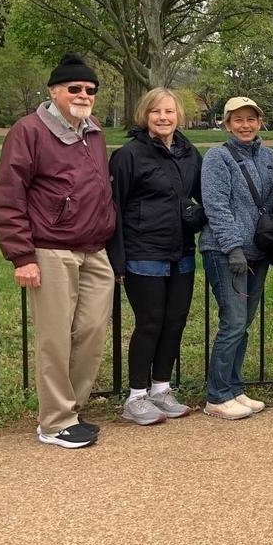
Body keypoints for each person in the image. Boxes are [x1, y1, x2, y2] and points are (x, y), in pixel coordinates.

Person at [0, 54, 117, 448]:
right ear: (54, 91)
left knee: (94, 332)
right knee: (55, 338)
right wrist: (22, 256)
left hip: (94, 249)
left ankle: (71, 409)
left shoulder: (93, 130)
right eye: (74, 88)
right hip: (50, 249)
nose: (83, 95)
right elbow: (8, 196)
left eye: (89, 90)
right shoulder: (28, 131)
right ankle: (54, 421)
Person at [108, 88, 202, 426]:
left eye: (169, 112)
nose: (163, 117)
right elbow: (114, 209)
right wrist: (117, 261)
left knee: (174, 322)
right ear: (144, 115)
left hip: (181, 253)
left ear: (179, 116)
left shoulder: (190, 154)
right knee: (150, 323)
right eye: (155, 112)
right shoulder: (128, 156)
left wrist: (198, 216)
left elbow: (201, 198)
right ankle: (136, 396)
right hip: (143, 253)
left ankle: (161, 388)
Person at [199, 95, 273, 420]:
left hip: (257, 253)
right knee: (232, 322)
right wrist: (233, 247)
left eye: (251, 119)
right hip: (225, 250)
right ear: (227, 124)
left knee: (244, 324)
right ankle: (216, 395)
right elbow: (216, 205)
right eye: (238, 120)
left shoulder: (268, 157)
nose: (245, 125)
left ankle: (234, 387)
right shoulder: (218, 157)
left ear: (259, 122)